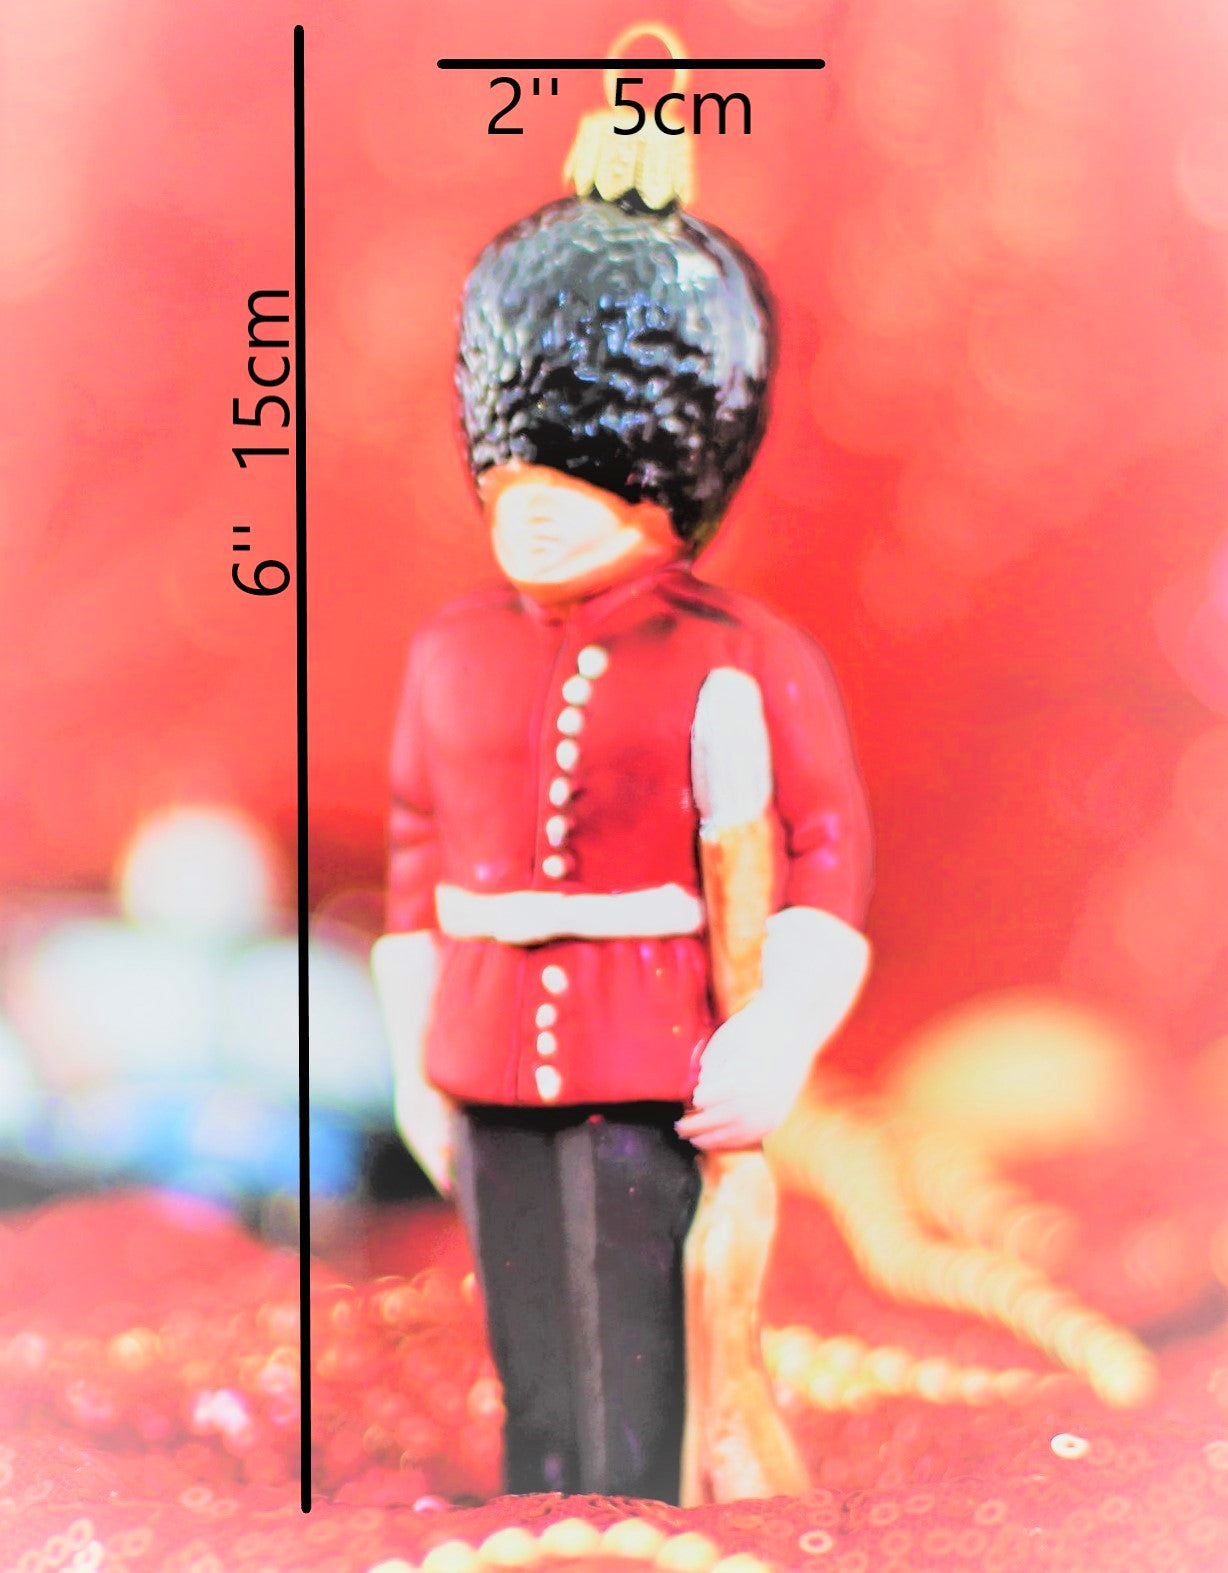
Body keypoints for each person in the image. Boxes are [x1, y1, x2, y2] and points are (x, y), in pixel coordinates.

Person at [372, 160, 873, 1504]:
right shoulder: (451, 650)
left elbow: (823, 857)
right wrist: (413, 1049)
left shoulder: (746, 652)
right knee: (530, 1345)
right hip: (483, 1046)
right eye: (518, 461)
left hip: (656, 1054)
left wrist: (779, 1030)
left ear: (667, 469)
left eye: (583, 469)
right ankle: (540, 1505)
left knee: (642, 1342)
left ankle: (637, 1517)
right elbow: (416, 863)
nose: (533, 498)